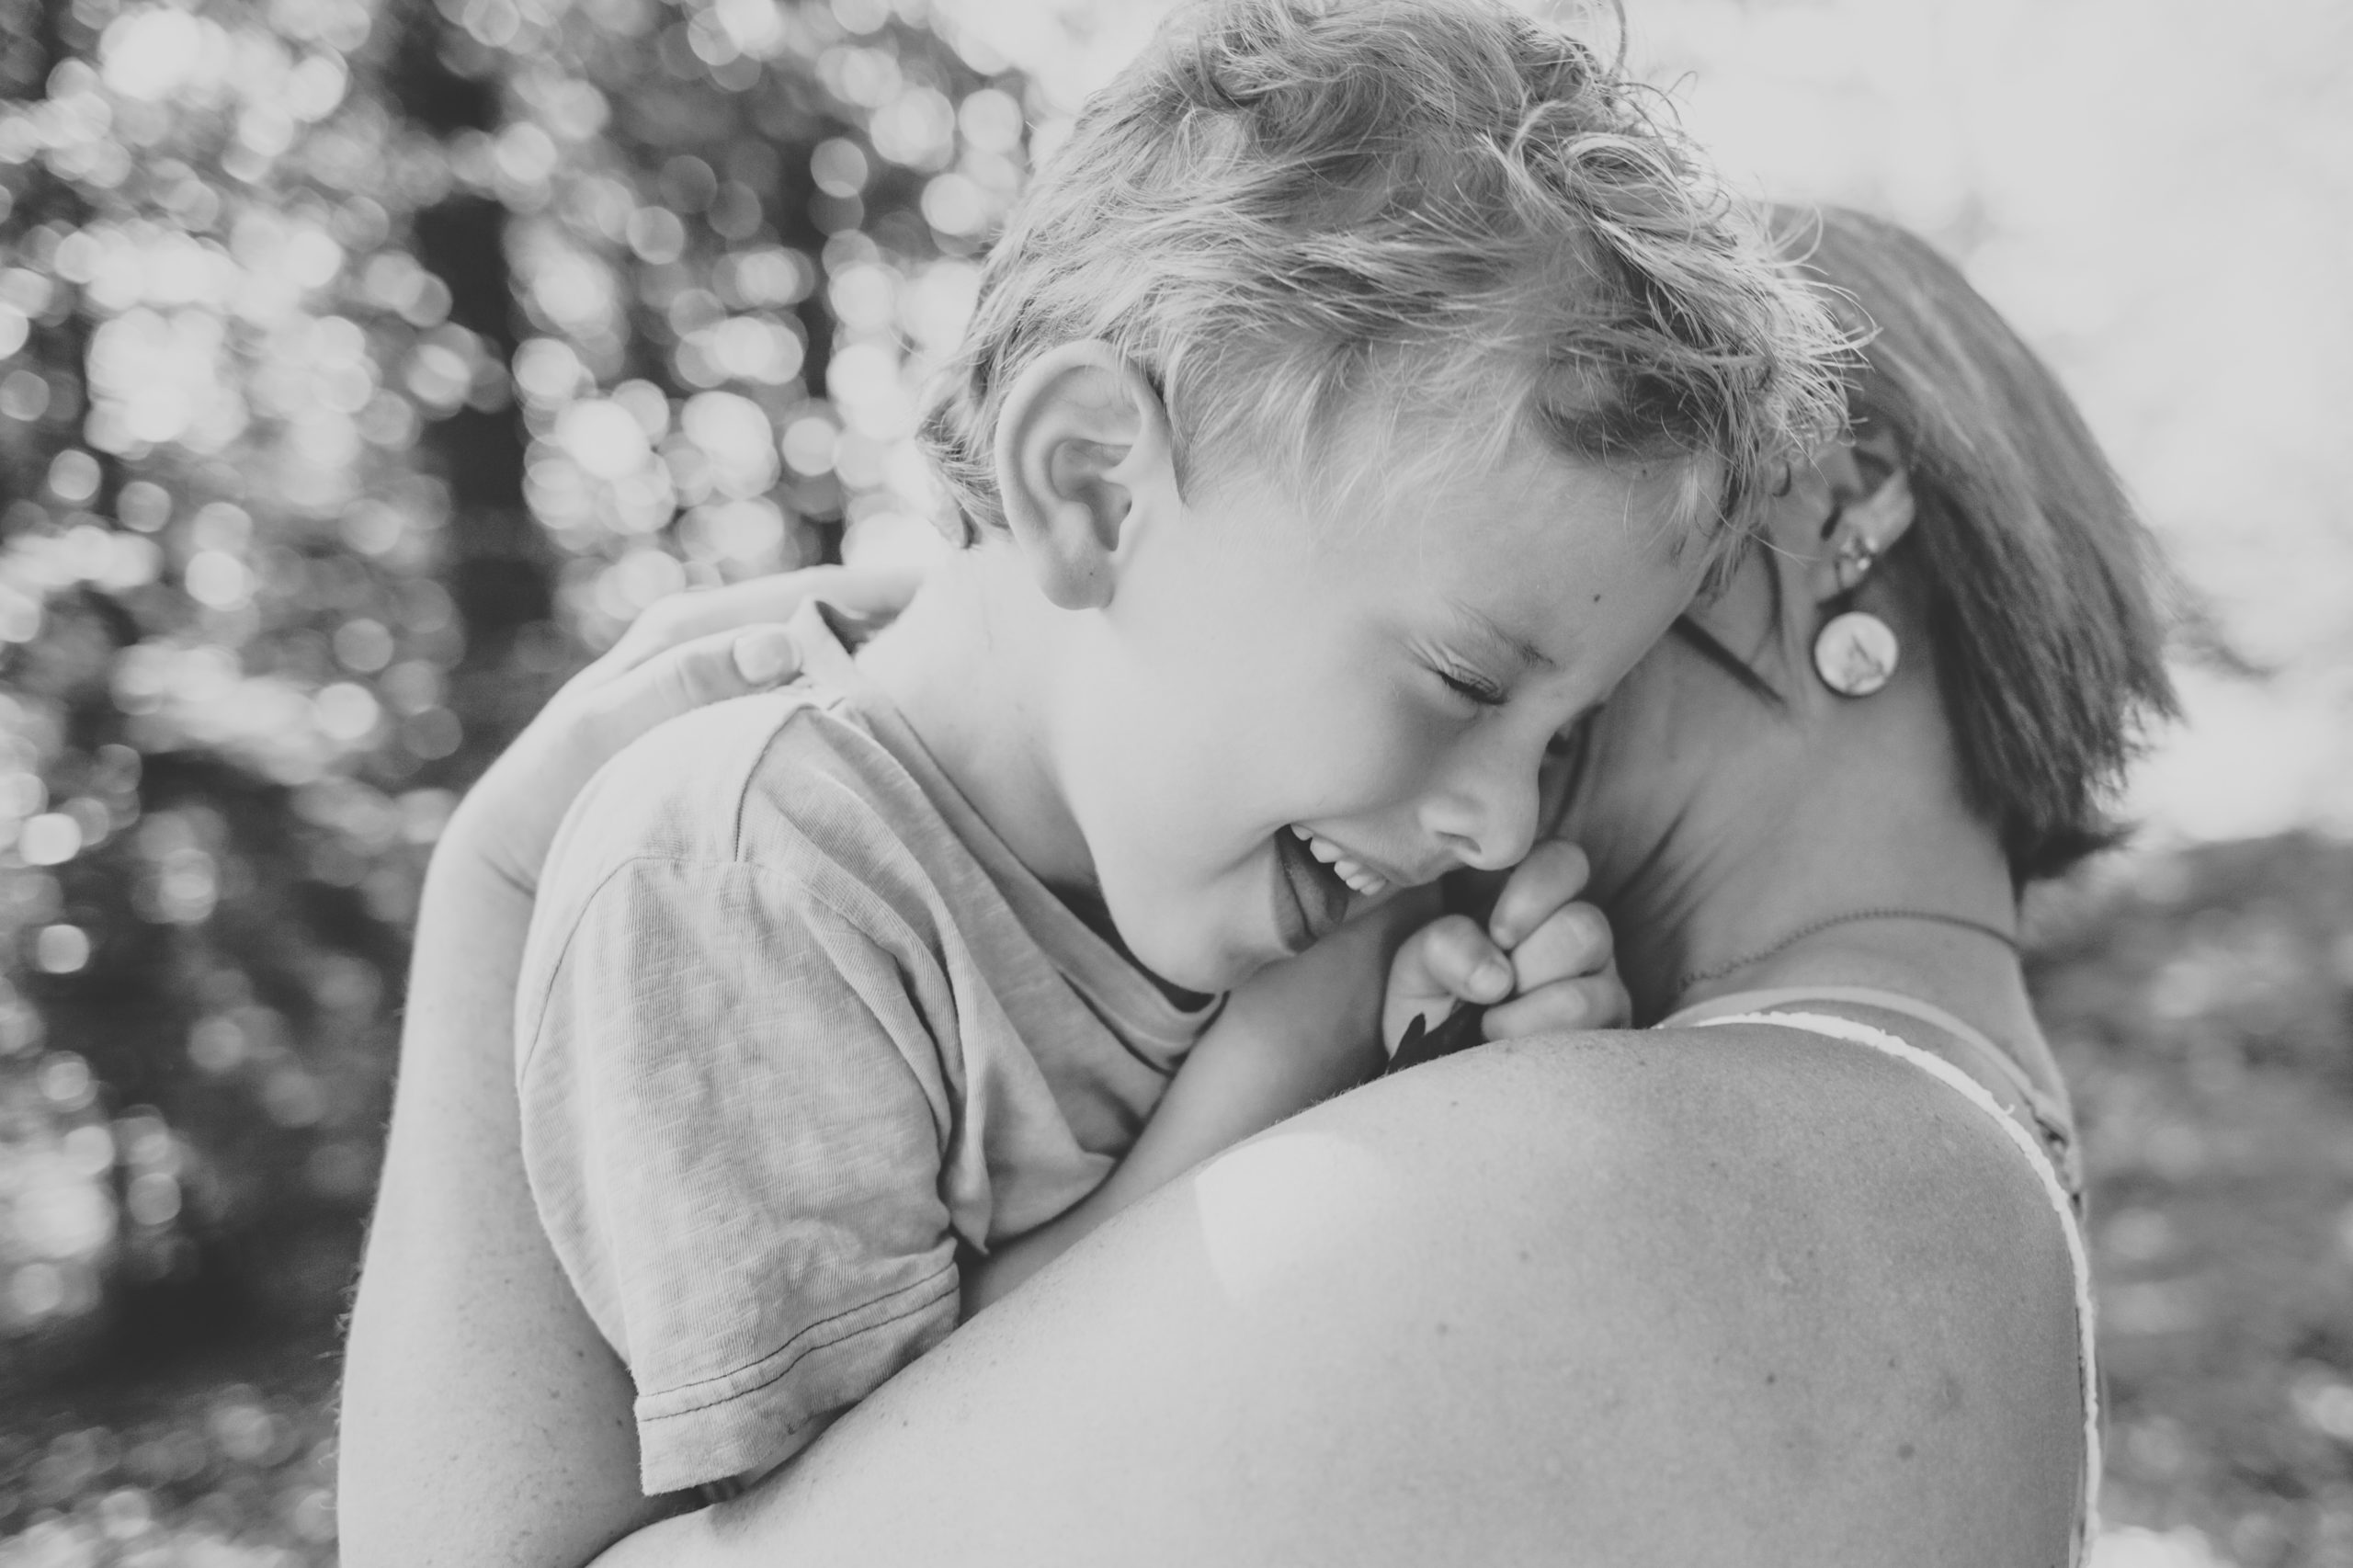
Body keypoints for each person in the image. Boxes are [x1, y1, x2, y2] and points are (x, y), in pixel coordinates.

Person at [336, 187, 2167, 1568]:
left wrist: (502, 871)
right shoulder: (1920, 1158)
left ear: (1807, 527)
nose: (1468, 787)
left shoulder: (1656, 1171)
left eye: (1546, 664)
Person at [504, 0, 1841, 1513]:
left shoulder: (1225, 862)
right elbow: (890, 1519)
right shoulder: (752, 885)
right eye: (1468, 680)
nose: (1497, 817)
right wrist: (1282, 1063)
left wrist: (1457, 1110)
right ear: (1093, 492)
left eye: (1567, 735)